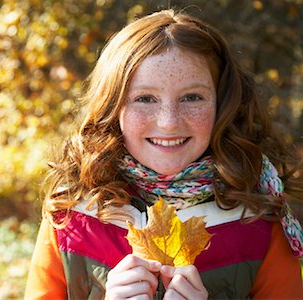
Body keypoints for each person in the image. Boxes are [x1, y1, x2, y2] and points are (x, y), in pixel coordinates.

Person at [24, 9, 303, 299]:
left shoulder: (259, 221)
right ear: (112, 106)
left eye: (192, 97)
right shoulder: (71, 212)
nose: (169, 121)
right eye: (145, 99)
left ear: (223, 104)